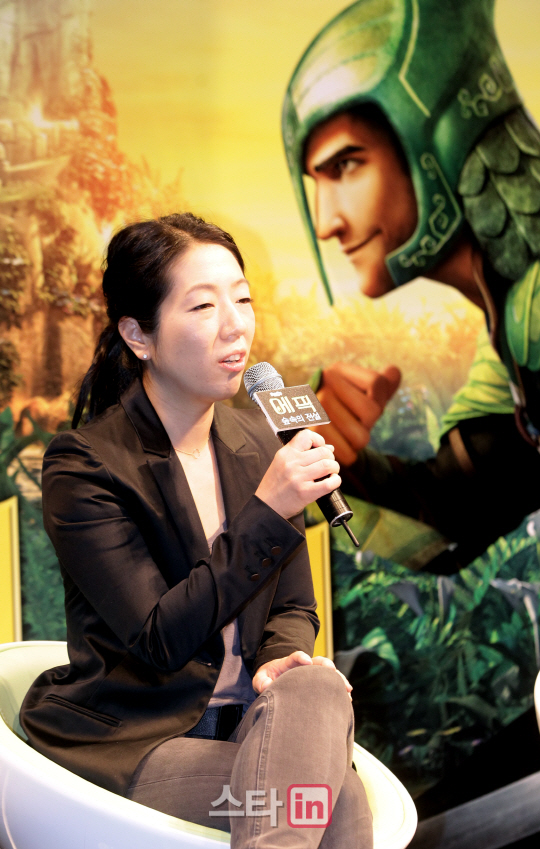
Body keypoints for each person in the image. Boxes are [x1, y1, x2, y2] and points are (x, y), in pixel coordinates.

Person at [20, 213, 373, 848]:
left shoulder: (260, 441)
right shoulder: (85, 465)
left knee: (316, 683)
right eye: (204, 306)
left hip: (251, 725)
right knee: (335, 803)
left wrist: (278, 659)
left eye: (242, 299)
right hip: (141, 738)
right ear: (139, 335)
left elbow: (293, 606)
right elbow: (158, 638)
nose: (235, 326)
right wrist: (268, 509)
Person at [282, 0, 540, 572]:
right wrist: (330, 453)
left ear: (436, 142)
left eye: (346, 165)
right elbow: (452, 516)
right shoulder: (511, 321)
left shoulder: (532, 306)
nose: (326, 223)